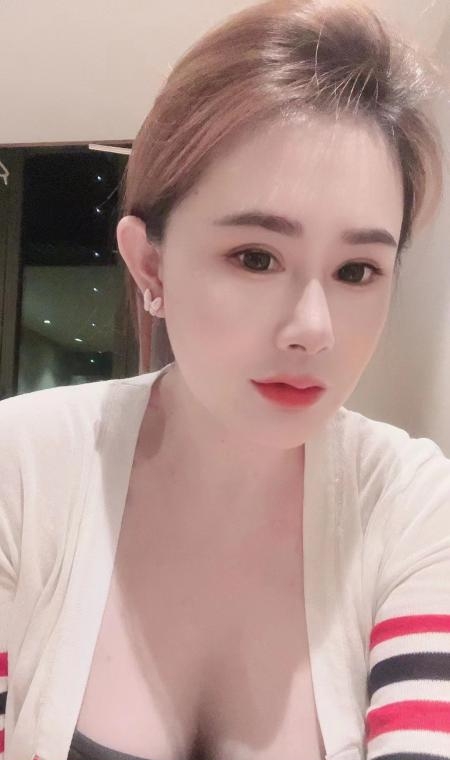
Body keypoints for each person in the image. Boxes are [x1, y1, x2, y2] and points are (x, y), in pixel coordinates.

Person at [0, 1, 449, 759]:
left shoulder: (411, 507)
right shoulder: (21, 470)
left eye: (356, 270)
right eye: (255, 257)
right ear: (150, 265)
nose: (313, 327)